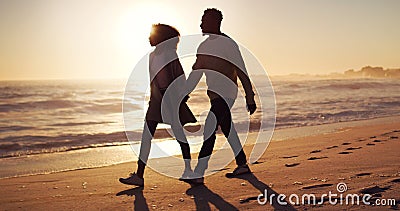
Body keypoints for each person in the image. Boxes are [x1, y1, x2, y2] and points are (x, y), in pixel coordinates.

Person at [183, 8, 257, 184]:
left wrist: (250, 96)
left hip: (228, 94)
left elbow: (241, 70)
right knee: (227, 127)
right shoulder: (203, 46)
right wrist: (184, 93)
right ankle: (242, 164)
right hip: (214, 95)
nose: (201, 23)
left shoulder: (228, 44)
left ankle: (199, 172)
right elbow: (196, 73)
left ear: (216, 22)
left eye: (204, 20)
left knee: (209, 127)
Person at [120, 24, 196, 186]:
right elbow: (153, 79)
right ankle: (139, 176)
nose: (149, 37)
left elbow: (180, 77)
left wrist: (181, 97)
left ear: (161, 37)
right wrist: (154, 98)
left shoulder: (170, 53)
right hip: (156, 99)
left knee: (179, 135)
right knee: (146, 136)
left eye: (152, 34)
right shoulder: (152, 56)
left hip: (170, 98)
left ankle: (189, 170)